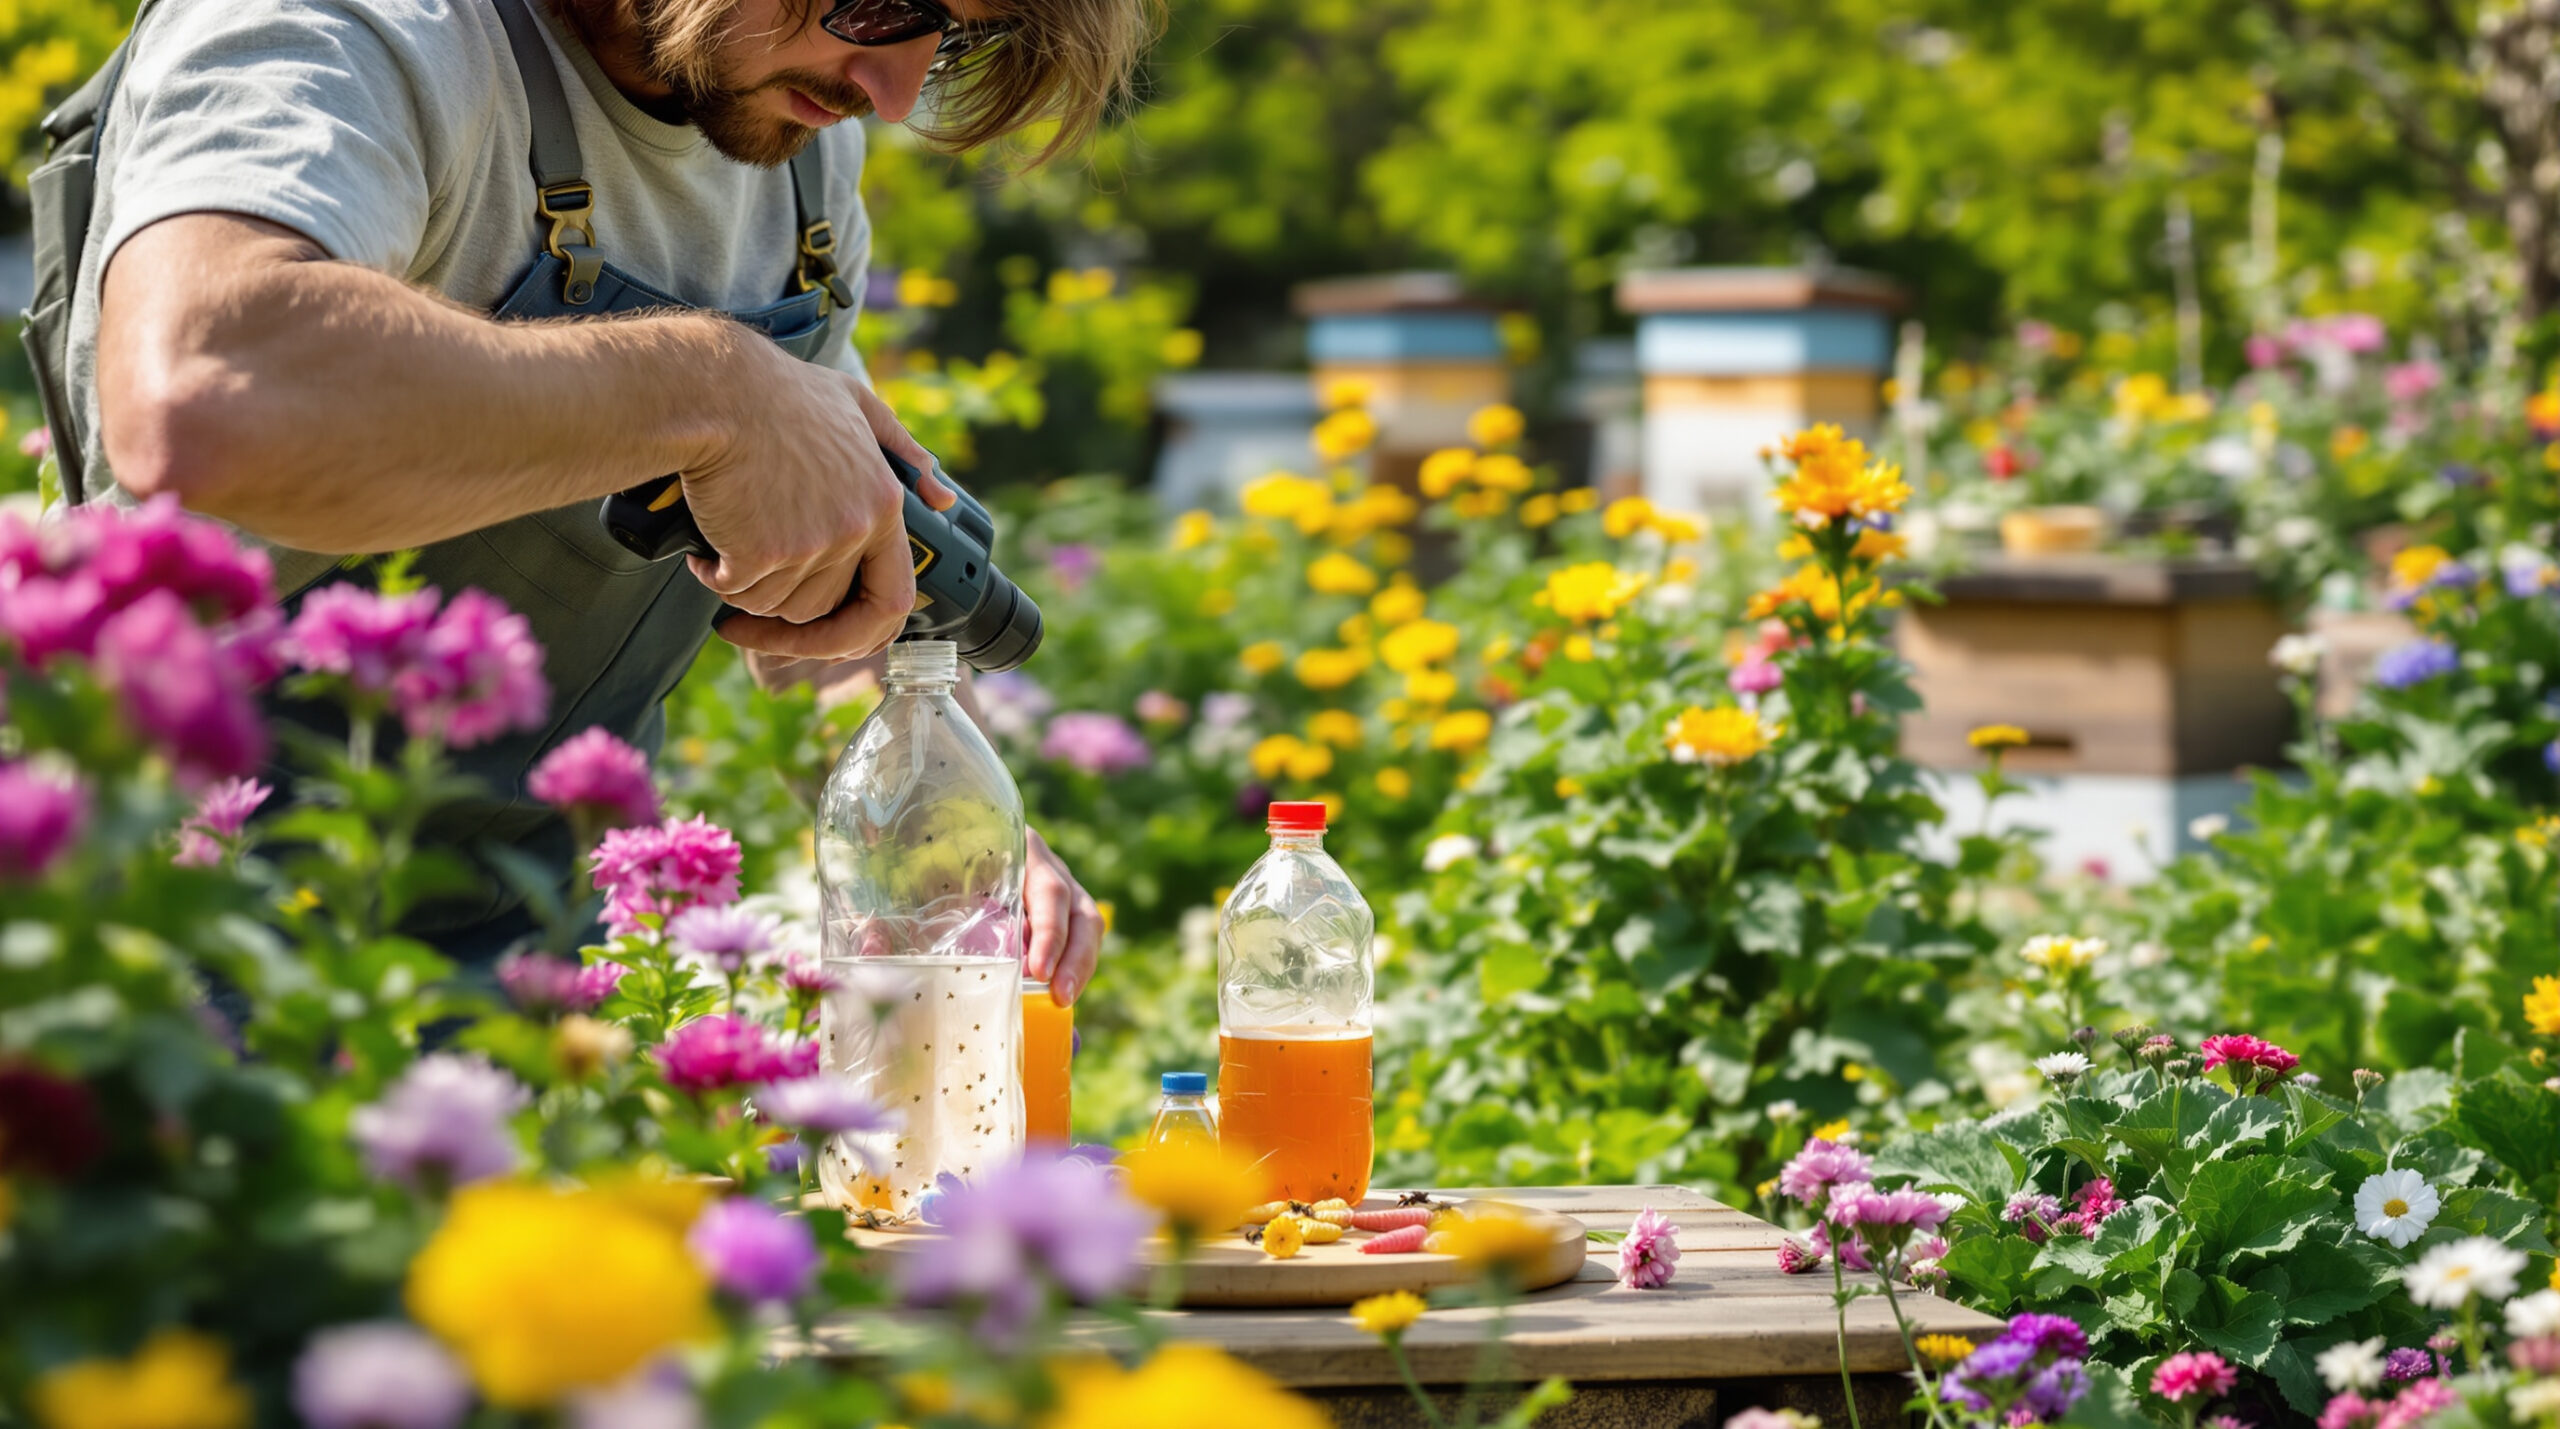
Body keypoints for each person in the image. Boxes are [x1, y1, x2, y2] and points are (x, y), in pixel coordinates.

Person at [61, 0, 1148, 1004]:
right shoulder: (365, 27)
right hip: (184, 941)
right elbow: (204, 401)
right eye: (875, 0)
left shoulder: (802, 155)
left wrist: (930, 805)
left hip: (535, 960)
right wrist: (714, 391)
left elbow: (813, 602)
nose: (895, 89)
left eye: (952, 38)